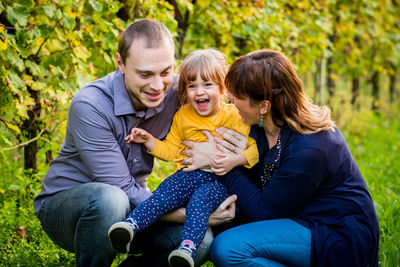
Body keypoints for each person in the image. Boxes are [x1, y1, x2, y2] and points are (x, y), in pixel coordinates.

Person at [33, 19, 235, 267]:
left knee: (200, 242)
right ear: (120, 63)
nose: (157, 85)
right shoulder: (91, 105)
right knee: (111, 199)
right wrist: (194, 214)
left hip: (133, 209)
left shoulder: (178, 90)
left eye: (165, 71)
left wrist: (218, 152)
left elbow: (231, 102)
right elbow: (123, 189)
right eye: (145, 74)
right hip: (70, 210)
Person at [185, 49, 379, 266]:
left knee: (228, 249)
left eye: (237, 96)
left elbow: (263, 211)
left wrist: (222, 163)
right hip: (294, 217)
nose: (229, 98)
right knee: (220, 223)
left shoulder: (310, 148)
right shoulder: (260, 125)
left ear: (264, 105)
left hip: (334, 234)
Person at [107, 48, 259, 267]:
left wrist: (233, 160)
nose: (199, 92)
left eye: (207, 85)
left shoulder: (234, 116)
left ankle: (187, 248)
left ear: (222, 88)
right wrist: (149, 140)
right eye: (192, 86)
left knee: (200, 202)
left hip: (219, 180)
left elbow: (254, 151)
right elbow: (171, 150)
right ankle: (130, 226)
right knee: (164, 193)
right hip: (186, 176)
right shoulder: (183, 115)